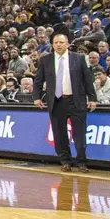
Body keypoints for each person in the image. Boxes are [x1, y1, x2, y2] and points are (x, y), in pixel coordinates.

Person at [33, 32, 97, 172]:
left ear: (67, 44)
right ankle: (65, 161)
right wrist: (36, 97)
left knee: (79, 134)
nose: (58, 45)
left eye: (61, 42)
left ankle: (81, 162)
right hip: (56, 102)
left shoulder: (78, 58)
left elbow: (88, 80)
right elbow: (38, 80)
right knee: (59, 134)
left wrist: (92, 98)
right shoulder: (46, 60)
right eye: (55, 42)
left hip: (76, 101)